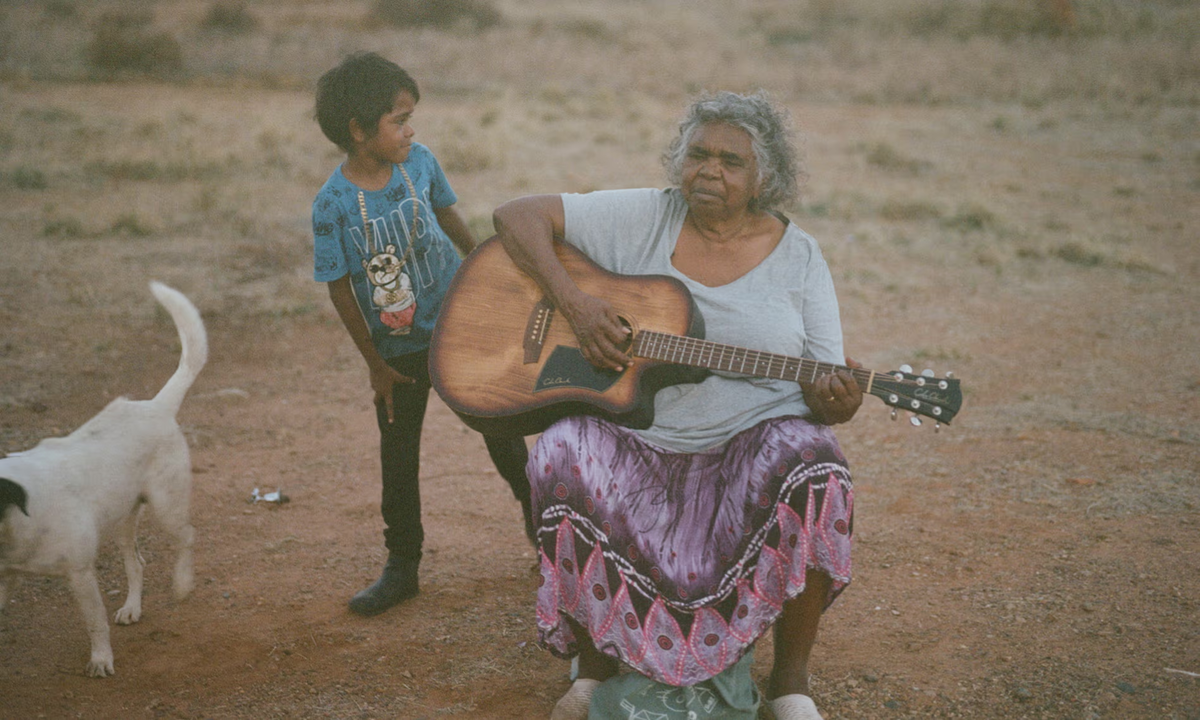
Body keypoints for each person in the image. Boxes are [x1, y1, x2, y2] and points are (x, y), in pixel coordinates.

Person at [492, 91, 863, 720]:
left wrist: (841, 402)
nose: (709, 171)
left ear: (764, 176)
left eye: (731, 162)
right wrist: (576, 306)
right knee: (558, 450)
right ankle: (594, 666)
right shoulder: (644, 215)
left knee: (819, 464)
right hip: (636, 439)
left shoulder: (800, 255)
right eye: (699, 155)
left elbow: (824, 395)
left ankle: (791, 682)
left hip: (745, 448)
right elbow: (515, 215)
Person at [311, 51, 533, 617]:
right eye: (398, 120)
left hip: (458, 325)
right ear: (359, 131)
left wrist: (487, 267)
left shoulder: (422, 162)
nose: (411, 130)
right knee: (399, 453)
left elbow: (449, 215)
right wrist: (375, 364)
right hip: (398, 350)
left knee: (502, 431)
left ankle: (548, 536)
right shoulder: (332, 206)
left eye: (411, 117)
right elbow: (339, 288)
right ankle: (402, 566)